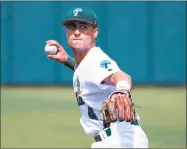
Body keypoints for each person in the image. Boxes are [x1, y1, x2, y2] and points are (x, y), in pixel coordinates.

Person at [45, 7, 148, 148]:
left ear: (95, 32)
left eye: (83, 27)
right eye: (71, 26)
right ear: (66, 32)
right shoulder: (86, 63)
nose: (76, 32)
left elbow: (120, 76)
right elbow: (88, 73)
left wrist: (122, 89)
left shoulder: (96, 59)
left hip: (120, 139)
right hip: (117, 138)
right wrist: (67, 60)